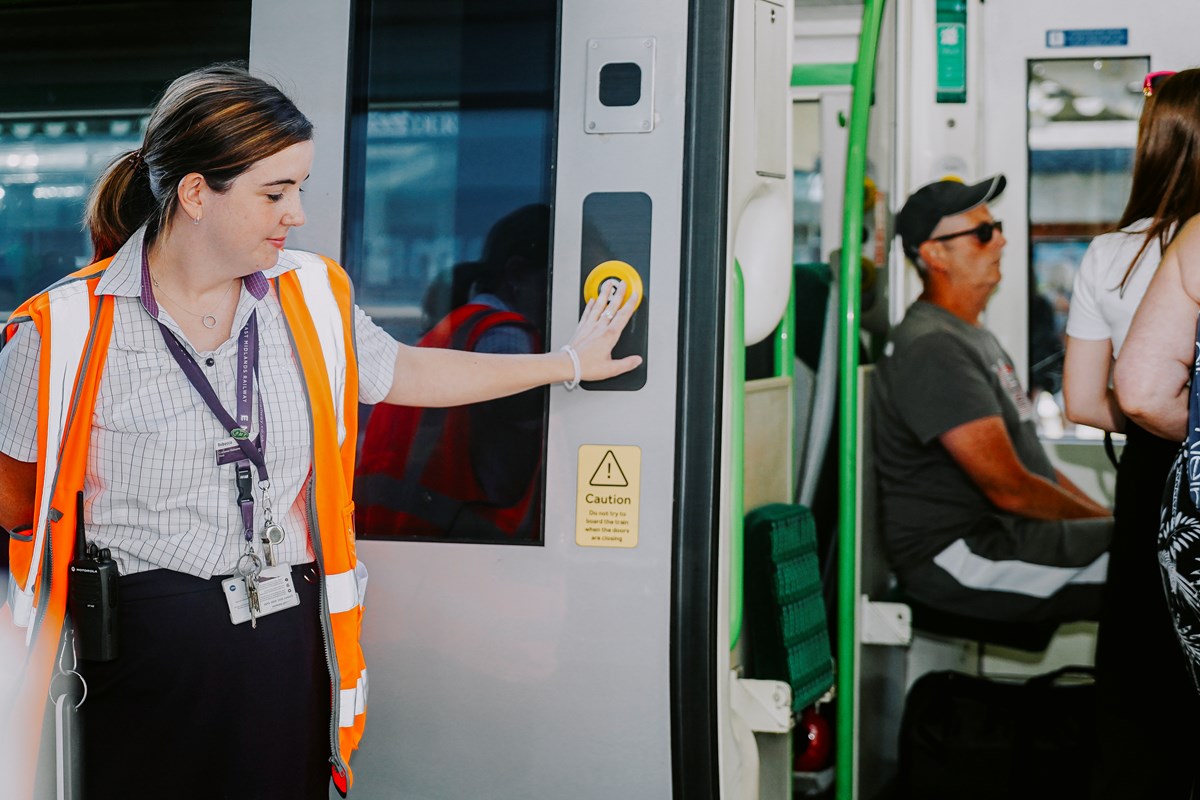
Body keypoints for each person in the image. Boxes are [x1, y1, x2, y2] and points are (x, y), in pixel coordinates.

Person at [0, 64, 639, 800]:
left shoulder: (310, 295)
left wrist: (564, 364)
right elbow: (19, 504)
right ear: (197, 194)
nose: (296, 213)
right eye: (275, 193)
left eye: (298, 188)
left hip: (286, 635)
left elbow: (402, 373)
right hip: (141, 651)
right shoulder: (62, 331)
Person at [871, 175, 1112, 625]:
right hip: (959, 556)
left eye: (996, 226)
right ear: (934, 254)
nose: (1000, 240)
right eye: (982, 233)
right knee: (1154, 566)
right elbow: (1010, 489)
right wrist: (1114, 526)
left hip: (1003, 533)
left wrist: (1104, 520)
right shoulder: (932, 347)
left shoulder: (971, 336)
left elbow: (1033, 468)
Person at [1062, 68, 1200, 800]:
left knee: (1143, 672)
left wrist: (1153, 418)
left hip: (1155, 477)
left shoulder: (1110, 255)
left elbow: (1087, 399)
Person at [355, 204, 550, 541]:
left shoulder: (459, 327)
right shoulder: (505, 337)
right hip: (460, 530)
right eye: (550, 280)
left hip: (406, 520)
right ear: (517, 274)